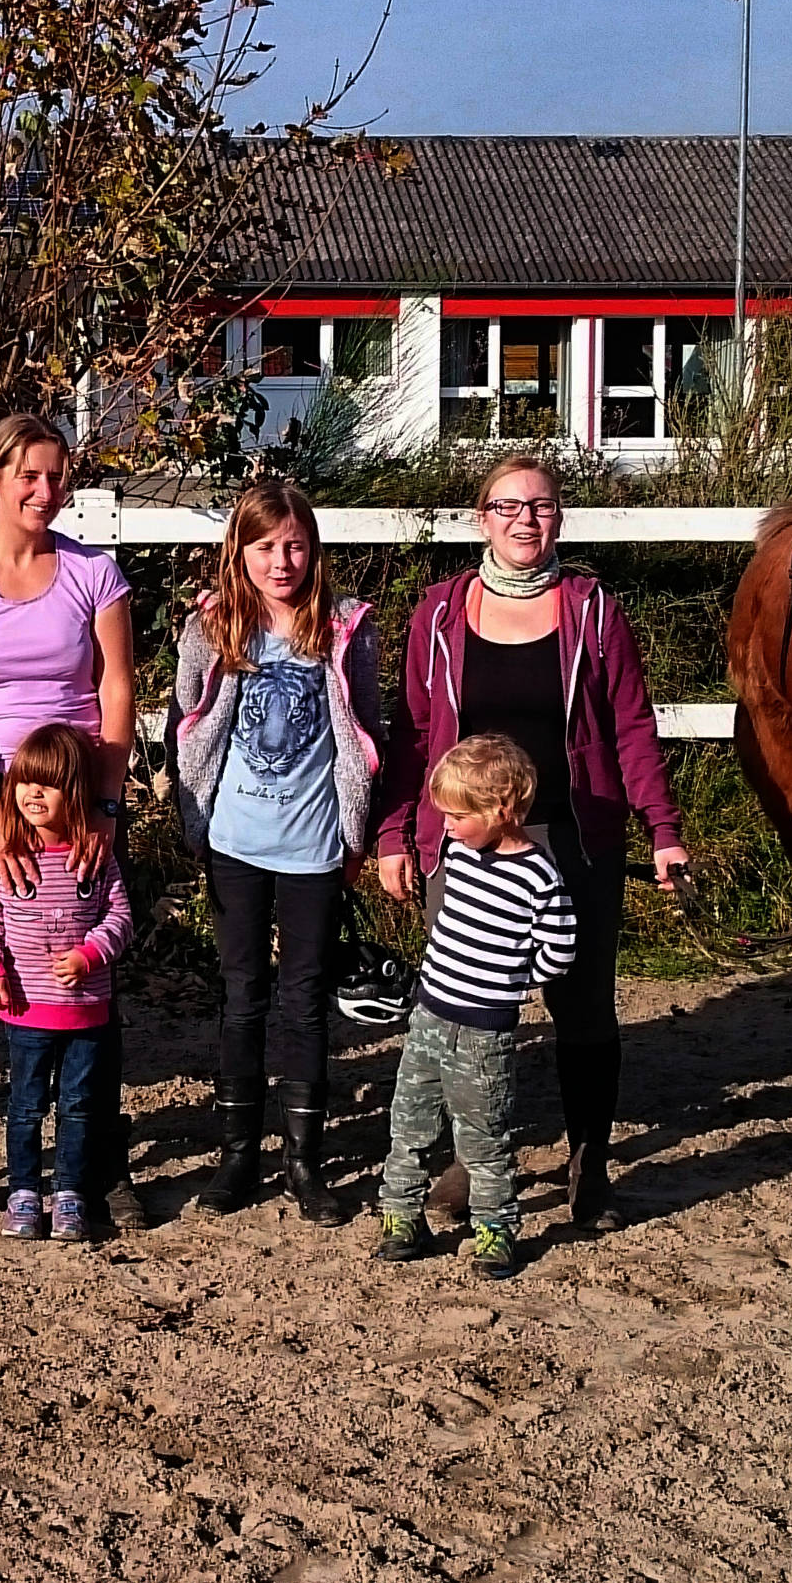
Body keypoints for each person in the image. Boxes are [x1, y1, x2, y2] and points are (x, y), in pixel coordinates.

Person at [376, 453, 686, 1237]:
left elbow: (631, 726)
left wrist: (663, 829)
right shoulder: (440, 614)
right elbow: (413, 738)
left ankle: (590, 1166)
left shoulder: (592, 611)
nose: (526, 520)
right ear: (482, 517)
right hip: (464, 841)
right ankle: (468, 1161)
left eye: (541, 506)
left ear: (560, 518)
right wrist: (395, 834)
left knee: (584, 1006)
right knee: (465, 1009)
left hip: (573, 836)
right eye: (509, 506)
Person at [0, 413, 138, 1229]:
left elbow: (116, 693)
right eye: (31, 475)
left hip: (77, 790)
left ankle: (99, 1161)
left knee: (91, 971)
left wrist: (105, 805)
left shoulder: (94, 574)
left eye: (58, 475)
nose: (48, 491)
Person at [167, 475, 383, 1221]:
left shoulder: (346, 627)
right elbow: (188, 724)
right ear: (242, 549)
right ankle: (236, 1154)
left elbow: (365, 735)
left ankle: (303, 1159)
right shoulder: (214, 626)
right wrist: (191, 821)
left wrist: (359, 832)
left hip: (314, 844)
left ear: (313, 548)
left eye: (294, 544)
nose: (282, 560)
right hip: (234, 841)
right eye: (265, 546)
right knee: (242, 997)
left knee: (305, 1001)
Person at [370, 735, 573, 1283]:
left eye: (459, 815)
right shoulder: (458, 853)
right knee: (408, 1121)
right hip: (429, 1015)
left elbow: (558, 953)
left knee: (484, 1137)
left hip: (485, 1033)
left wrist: (509, 981)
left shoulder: (539, 877)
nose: (450, 826)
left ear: (502, 810)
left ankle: (495, 1228)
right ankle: (401, 1217)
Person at [0, 724, 134, 1244]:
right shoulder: (4, 857)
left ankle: (69, 1193)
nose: (34, 794)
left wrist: (90, 954)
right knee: (25, 1104)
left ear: (77, 792)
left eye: (50, 784)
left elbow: (121, 917)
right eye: (25, 782)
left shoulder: (94, 856)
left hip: (85, 1009)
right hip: (25, 1009)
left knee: (79, 1104)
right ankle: (22, 1191)